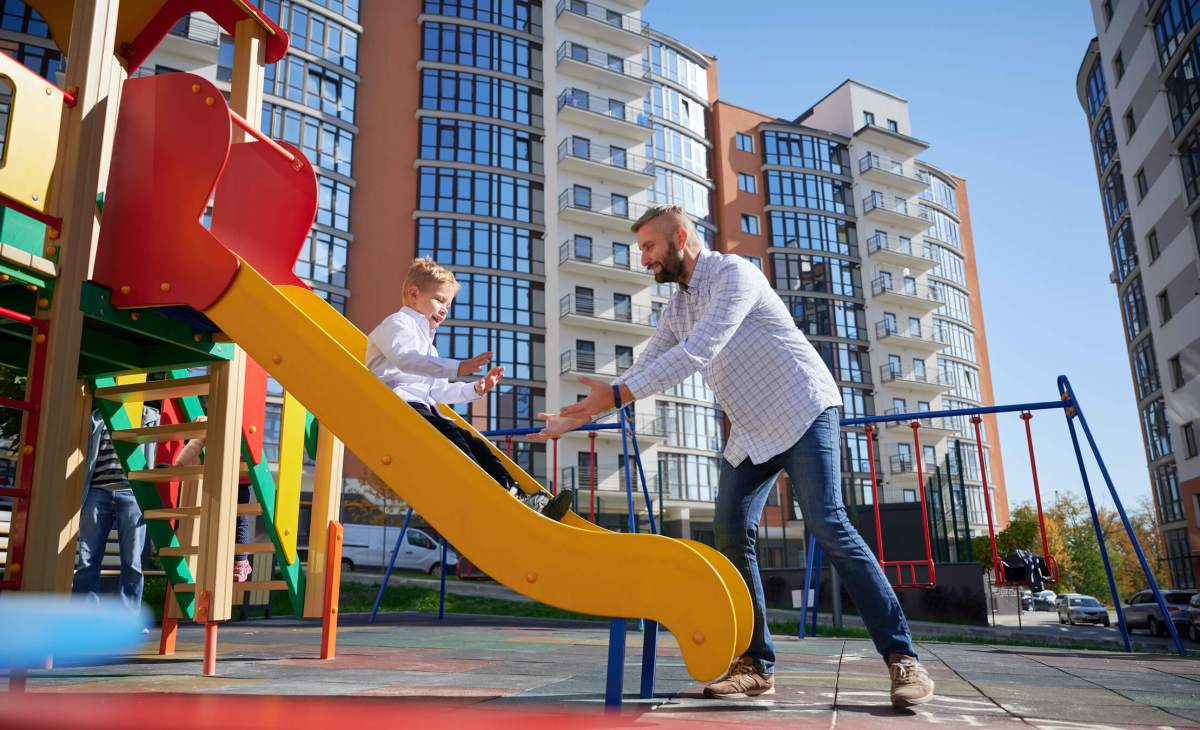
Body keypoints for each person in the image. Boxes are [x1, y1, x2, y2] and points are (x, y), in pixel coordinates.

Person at [535, 205, 935, 709]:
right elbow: (648, 363)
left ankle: (903, 659)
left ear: (680, 238)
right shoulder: (676, 308)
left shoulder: (734, 274)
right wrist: (579, 417)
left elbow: (701, 349)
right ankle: (755, 663)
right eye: (641, 251)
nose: (645, 261)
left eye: (650, 248)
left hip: (804, 408)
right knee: (729, 532)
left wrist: (616, 397)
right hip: (751, 431)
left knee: (827, 523)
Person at [367, 258, 574, 520]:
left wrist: (477, 387)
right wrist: (458, 367)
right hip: (395, 407)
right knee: (455, 438)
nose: (444, 309)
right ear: (414, 294)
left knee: (475, 443)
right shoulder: (397, 324)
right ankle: (493, 499)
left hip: (420, 409)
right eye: (440, 300)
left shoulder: (429, 347)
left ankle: (518, 496)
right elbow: (405, 358)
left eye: (448, 305)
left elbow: (439, 392)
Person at [73, 407, 157, 612]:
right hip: (98, 489)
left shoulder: (150, 417)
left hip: (131, 491)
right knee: (87, 557)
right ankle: (84, 613)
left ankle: (128, 615)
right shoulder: (99, 415)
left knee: (133, 559)